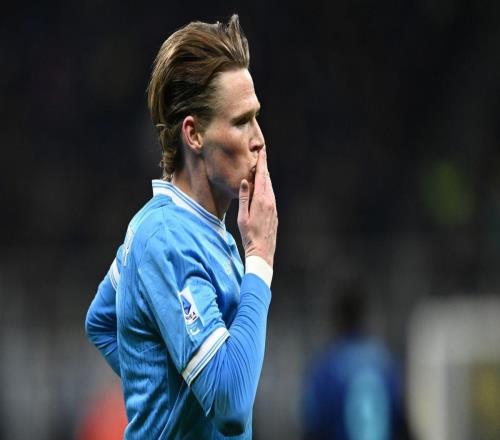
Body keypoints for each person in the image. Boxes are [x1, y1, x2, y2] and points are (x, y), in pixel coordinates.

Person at [85, 15, 278, 439]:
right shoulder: (168, 238)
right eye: (241, 121)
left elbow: (100, 319)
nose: (259, 139)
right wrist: (260, 258)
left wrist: (168, 387)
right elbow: (229, 405)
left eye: (257, 118)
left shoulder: (201, 231)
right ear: (194, 134)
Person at [301, 282, 412, 440]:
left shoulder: (325, 368)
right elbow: (402, 421)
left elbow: (313, 426)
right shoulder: (385, 362)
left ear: (336, 317)